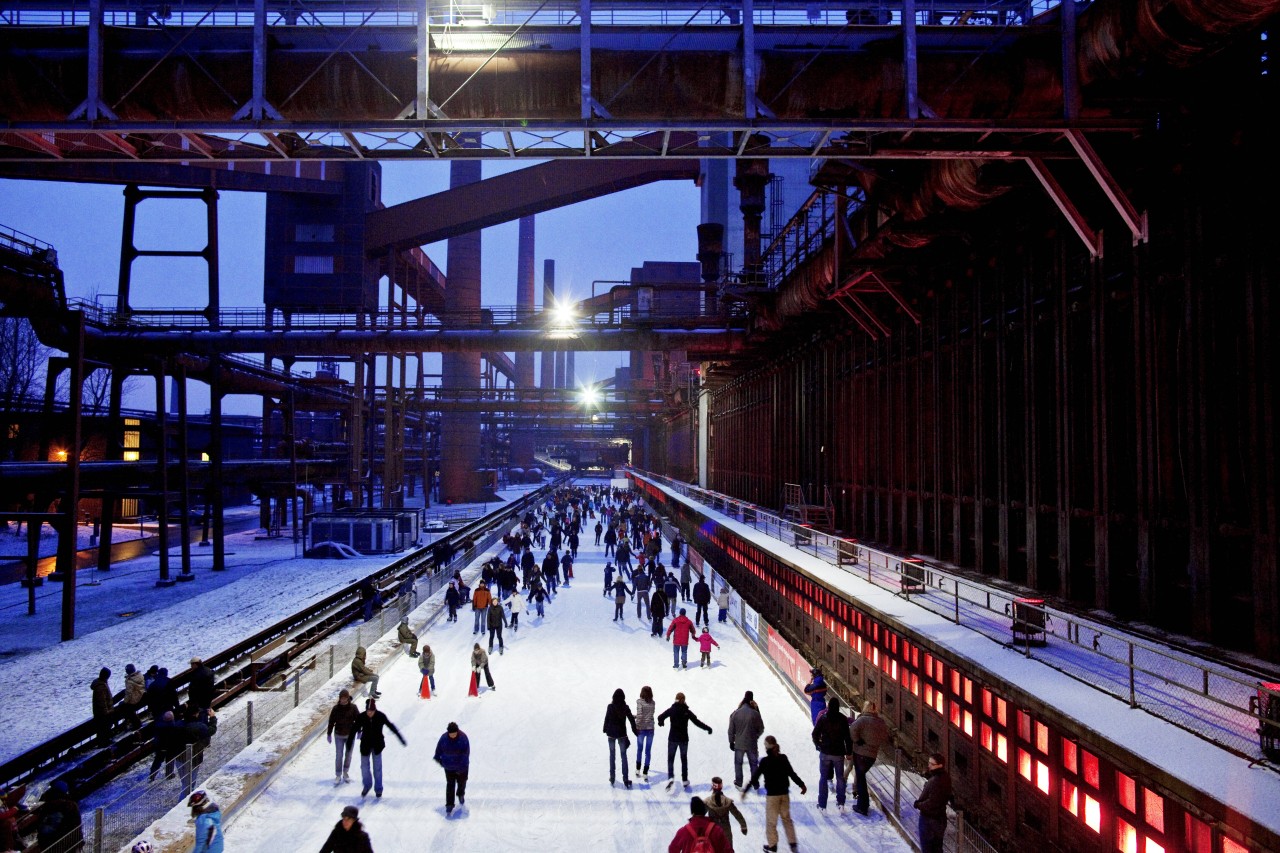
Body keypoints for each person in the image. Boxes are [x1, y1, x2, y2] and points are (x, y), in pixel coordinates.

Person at [744, 736, 807, 853]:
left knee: (771, 822)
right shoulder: (783, 758)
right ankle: (793, 845)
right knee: (787, 820)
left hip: (772, 797)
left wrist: (746, 790)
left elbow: (755, 777)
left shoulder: (764, 762)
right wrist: (801, 784)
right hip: (784, 795)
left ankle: (773, 846)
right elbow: (791, 773)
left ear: (767, 747)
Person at [657, 691, 713, 788]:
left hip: (673, 739)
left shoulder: (672, 709)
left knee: (671, 759)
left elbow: (660, 717)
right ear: (684, 700)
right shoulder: (686, 711)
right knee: (684, 759)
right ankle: (685, 780)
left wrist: (661, 723)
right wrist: (707, 728)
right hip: (683, 739)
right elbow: (696, 722)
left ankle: (670, 777)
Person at [847, 700, 891, 816]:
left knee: (861, 780)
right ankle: (863, 804)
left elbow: (852, 730)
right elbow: (885, 737)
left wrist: (857, 740)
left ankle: (862, 806)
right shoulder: (881, 722)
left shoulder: (862, 719)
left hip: (860, 754)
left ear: (865, 708)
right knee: (861, 778)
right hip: (872, 756)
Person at [354, 699, 405, 798]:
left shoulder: (380, 716)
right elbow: (354, 729)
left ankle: (378, 789)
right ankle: (367, 785)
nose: (370, 713)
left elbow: (391, 726)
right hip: (365, 746)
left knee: (377, 768)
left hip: (377, 746)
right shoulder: (361, 717)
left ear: (375, 710)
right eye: (368, 711)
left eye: (371, 711)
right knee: (364, 768)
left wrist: (400, 738)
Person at [811, 696, 852, 811]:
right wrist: (848, 752)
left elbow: (815, 734)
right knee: (840, 778)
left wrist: (818, 745)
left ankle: (822, 805)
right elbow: (847, 738)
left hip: (825, 752)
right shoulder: (843, 719)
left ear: (829, 707)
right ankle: (841, 803)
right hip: (838, 753)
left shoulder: (823, 718)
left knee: (823, 777)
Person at [914, 753, 952, 853]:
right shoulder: (945, 777)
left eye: (932, 764)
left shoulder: (937, 781)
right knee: (937, 849)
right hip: (939, 819)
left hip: (929, 820)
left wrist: (918, 804)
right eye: (929, 763)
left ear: (940, 765)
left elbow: (932, 802)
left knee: (928, 849)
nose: (929, 765)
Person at [727, 691, 764, 791]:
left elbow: (731, 729)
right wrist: (755, 736)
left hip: (739, 743)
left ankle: (739, 782)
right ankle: (755, 782)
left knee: (738, 763)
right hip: (752, 744)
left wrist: (731, 741)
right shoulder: (755, 712)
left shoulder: (736, 712)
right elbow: (761, 728)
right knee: (753, 763)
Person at [433, 722, 470, 816]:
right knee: (450, 785)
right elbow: (438, 749)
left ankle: (460, 794)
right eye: (451, 734)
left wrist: (461, 767)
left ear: (457, 732)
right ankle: (449, 805)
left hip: (461, 767)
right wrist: (438, 759)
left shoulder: (463, 738)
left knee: (462, 782)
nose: (452, 735)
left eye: (454, 733)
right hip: (449, 767)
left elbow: (465, 754)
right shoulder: (444, 738)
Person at [34, 780, 83, 853]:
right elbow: (77, 825)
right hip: (72, 842)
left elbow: (41, 827)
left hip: (50, 845)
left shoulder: (47, 807)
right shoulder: (72, 806)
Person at [603, 688, 638, 788]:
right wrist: (635, 732)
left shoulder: (610, 706)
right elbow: (631, 719)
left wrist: (605, 729)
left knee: (612, 755)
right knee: (624, 756)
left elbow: (607, 718)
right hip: (621, 734)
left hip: (611, 734)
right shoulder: (625, 707)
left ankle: (612, 777)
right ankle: (626, 779)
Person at [703, 778, 748, 851]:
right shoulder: (727, 801)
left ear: (713, 787)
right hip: (726, 831)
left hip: (713, 831)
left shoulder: (708, 802)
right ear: (721, 787)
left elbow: (699, 815)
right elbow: (737, 814)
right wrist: (744, 826)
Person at [327, 689, 360, 784]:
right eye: (341, 698)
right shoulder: (336, 708)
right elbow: (331, 722)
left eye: (345, 698)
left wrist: (359, 731)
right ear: (340, 698)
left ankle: (345, 772)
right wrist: (329, 734)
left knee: (348, 755)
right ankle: (338, 774)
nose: (343, 700)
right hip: (338, 734)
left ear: (348, 698)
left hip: (350, 735)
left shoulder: (353, 708)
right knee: (339, 755)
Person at [147, 711, 184, 780]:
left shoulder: (158, 725)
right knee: (170, 760)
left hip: (160, 747)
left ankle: (152, 775)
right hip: (170, 747)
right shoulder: (174, 726)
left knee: (157, 760)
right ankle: (169, 774)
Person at [634, 685, 656, 779]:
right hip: (650, 729)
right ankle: (645, 773)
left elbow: (640, 715)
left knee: (639, 749)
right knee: (648, 751)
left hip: (641, 729)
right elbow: (649, 715)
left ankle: (638, 769)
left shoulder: (640, 702)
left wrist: (636, 726)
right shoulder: (653, 703)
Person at [122, 663, 146, 730]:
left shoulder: (129, 681)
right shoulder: (140, 675)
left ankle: (136, 724)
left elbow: (128, 693)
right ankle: (130, 723)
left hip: (136, 699)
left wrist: (125, 701)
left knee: (126, 708)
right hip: (142, 695)